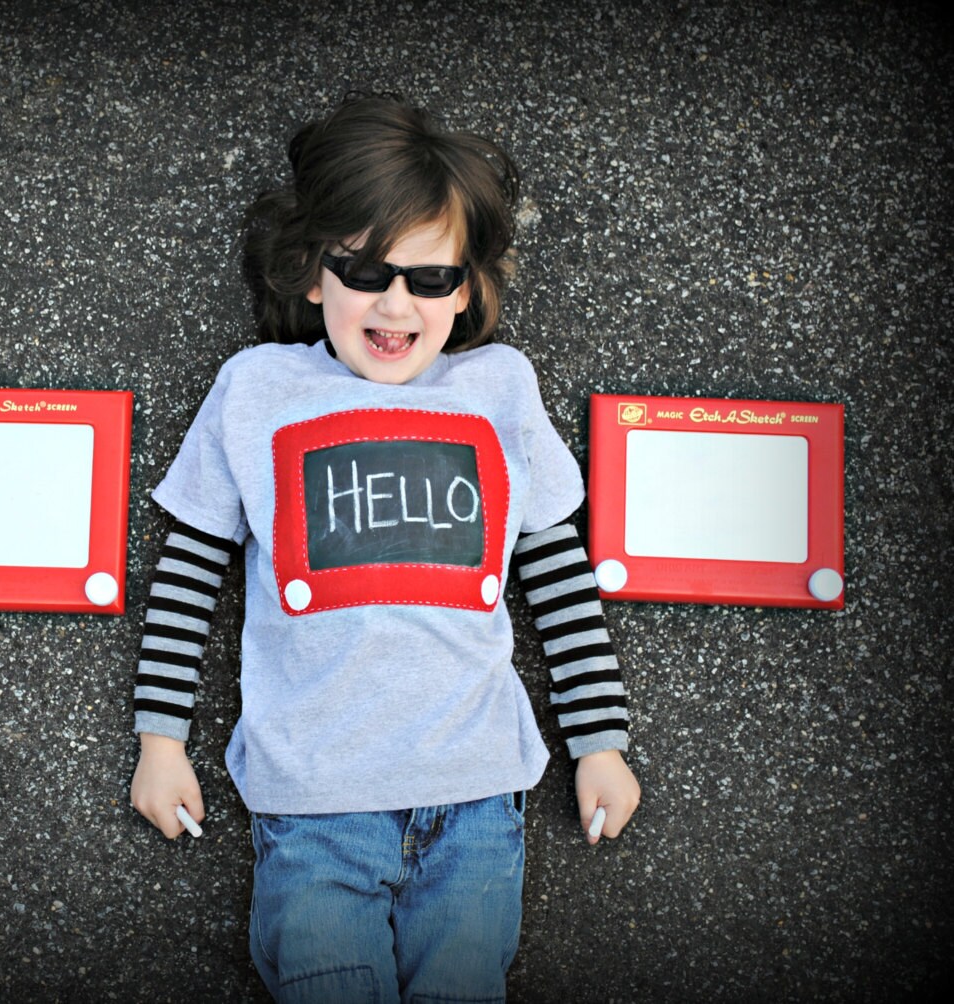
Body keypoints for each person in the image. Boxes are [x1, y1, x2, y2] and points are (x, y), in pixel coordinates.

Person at [129, 92, 640, 1002]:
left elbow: (559, 575)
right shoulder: (256, 391)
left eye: (430, 278)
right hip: (316, 800)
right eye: (364, 270)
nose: (396, 303)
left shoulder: (501, 391)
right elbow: (190, 566)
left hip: (480, 792)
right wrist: (160, 739)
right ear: (313, 273)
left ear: (470, 288)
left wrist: (599, 743)